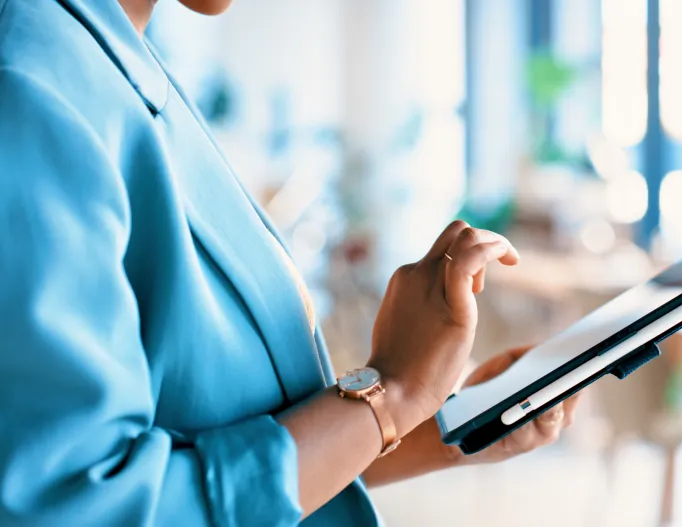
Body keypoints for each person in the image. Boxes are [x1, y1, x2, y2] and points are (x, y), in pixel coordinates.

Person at [0, 0, 580, 525]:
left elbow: (222, 449)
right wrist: (391, 390)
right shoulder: (31, 91)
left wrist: (439, 426)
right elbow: (78, 509)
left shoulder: (121, 65)